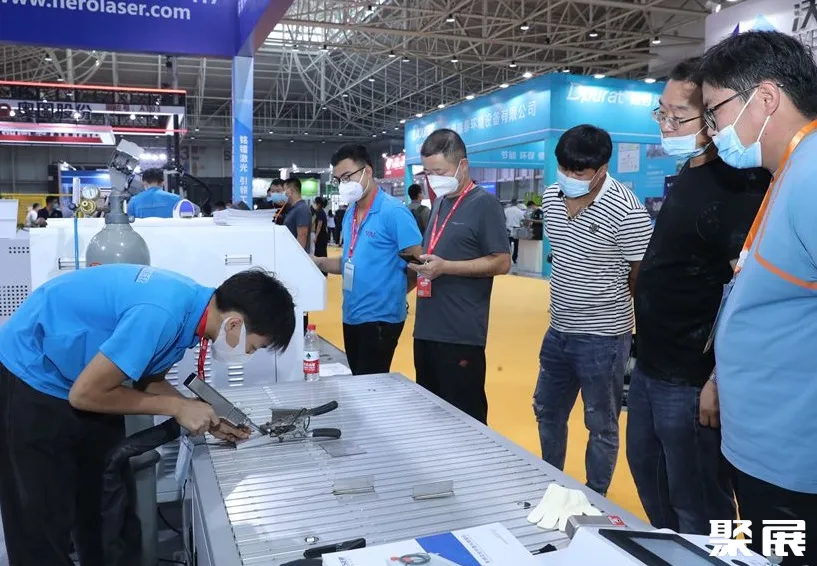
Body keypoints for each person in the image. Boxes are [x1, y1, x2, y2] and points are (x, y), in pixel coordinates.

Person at [0, 264, 296, 565]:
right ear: (234, 324)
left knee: (105, 504)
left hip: (85, 380)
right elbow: (84, 395)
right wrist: (179, 407)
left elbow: (147, 380)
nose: (248, 355)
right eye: (253, 347)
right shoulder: (162, 313)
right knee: (40, 521)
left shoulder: (192, 313)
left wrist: (210, 421)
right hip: (31, 375)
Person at [627, 58, 770, 535]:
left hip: (691, 380)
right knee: (651, 480)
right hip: (651, 366)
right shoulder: (689, 171)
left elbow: (746, 295)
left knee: (699, 505)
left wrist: (717, 378)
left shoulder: (739, 186)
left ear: (712, 115)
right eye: (661, 113)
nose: (666, 126)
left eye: (680, 116)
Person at [698, 31, 817, 564]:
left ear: (765, 98)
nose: (710, 130)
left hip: (794, 459)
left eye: (714, 111)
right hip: (768, 447)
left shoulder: (812, 176)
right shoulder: (790, 171)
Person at [533, 124, 652, 496]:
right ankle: (551, 481)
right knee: (547, 410)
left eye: (579, 171)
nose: (568, 177)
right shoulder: (551, 197)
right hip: (558, 329)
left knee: (601, 422)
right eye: (563, 168)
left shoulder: (628, 211)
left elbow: (639, 275)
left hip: (603, 337)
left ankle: (594, 495)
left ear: (602, 168)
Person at [409, 129, 510, 424]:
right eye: (428, 173)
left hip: (460, 332)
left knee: (466, 419)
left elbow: (502, 262)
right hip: (426, 328)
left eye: (439, 172)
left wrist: (446, 267)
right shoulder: (439, 203)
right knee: (430, 417)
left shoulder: (484, 204)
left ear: (462, 165)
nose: (433, 179)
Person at [313, 145, 423, 375]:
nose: (343, 184)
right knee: (359, 378)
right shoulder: (351, 213)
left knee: (371, 382)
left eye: (347, 176)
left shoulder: (393, 212)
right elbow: (349, 261)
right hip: (352, 313)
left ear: (368, 171)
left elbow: (418, 264)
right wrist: (318, 262)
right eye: (338, 180)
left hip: (381, 319)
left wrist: (394, 293)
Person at [283, 178, 311, 250]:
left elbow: (302, 236)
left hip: (295, 254)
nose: (284, 193)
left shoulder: (302, 209)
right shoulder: (294, 208)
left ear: (291, 191)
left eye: (284, 190)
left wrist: (296, 255)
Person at [504, 198, 525, 264]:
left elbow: (504, 219)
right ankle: (514, 259)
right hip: (516, 229)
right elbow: (522, 220)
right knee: (516, 245)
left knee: (508, 245)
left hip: (508, 229)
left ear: (511, 203)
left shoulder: (506, 210)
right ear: (517, 203)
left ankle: (508, 259)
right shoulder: (519, 211)